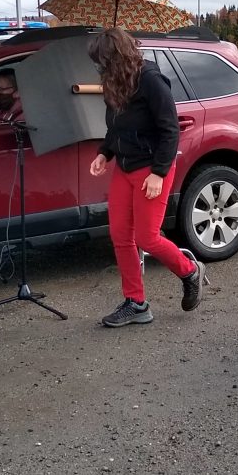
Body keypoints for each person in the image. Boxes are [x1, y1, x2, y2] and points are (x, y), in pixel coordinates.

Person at [87, 27, 204, 327]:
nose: (100, 67)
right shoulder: (115, 81)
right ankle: (136, 303)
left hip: (151, 168)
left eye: (103, 61)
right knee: (120, 236)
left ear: (118, 57)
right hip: (124, 168)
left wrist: (158, 173)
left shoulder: (151, 80)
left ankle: (190, 271)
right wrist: (104, 153)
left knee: (147, 237)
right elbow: (115, 126)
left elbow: (170, 130)